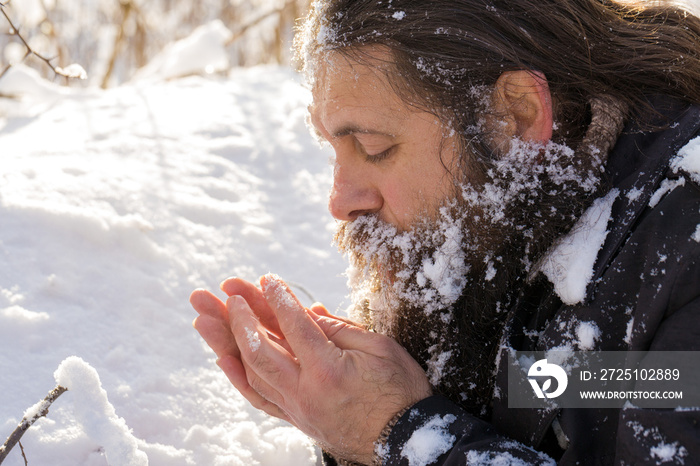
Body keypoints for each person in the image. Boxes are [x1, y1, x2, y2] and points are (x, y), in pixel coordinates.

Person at [190, 0, 700, 464]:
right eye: (332, 150)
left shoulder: (685, 255)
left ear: (516, 115)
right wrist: (355, 408)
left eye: (372, 148)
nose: (339, 202)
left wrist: (401, 433)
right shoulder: (511, 226)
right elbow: (563, 386)